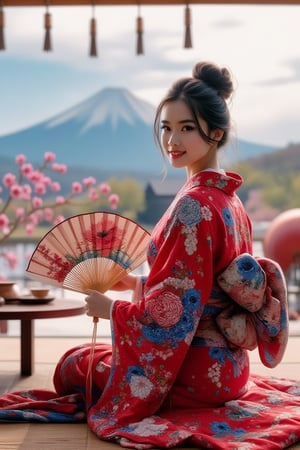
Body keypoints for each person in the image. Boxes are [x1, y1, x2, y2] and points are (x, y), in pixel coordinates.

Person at [0, 61, 300, 449]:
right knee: (88, 358)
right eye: (167, 128)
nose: (172, 140)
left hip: (192, 374)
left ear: (217, 132)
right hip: (230, 371)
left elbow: (176, 311)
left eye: (186, 128)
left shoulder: (193, 206)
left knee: (73, 365)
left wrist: (113, 310)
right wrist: (137, 284)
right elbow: (201, 289)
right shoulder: (229, 200)